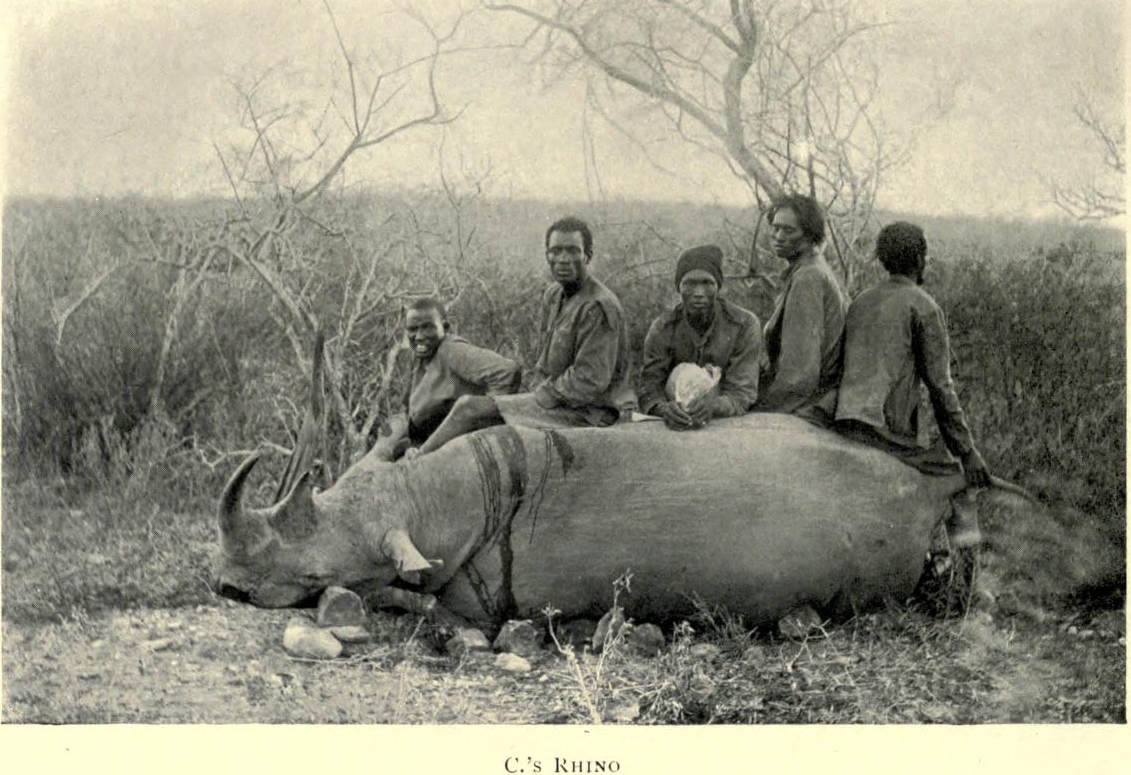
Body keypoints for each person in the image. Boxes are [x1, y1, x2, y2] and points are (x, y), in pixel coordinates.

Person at [409, 216, 629, 457]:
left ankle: (416, 461)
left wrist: (540, 395)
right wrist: (533, 389)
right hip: (557, 400)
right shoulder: (554, 295)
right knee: (473, 408)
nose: (563, 259)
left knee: (468, 408)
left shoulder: (598, 306)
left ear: (588, 255)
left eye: (572, 251)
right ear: (547, 256)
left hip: (587, 412)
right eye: (556, 251)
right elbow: (544, 360)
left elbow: (589, 381)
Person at [834, 221, 991, 489]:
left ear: (883, 260)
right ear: (920, 259)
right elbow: (941, 388)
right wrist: (967, 452)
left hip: (844, 421)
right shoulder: (924, 306)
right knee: (953, 480)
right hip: (886, 431)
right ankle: (966, 532)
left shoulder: (861, 301)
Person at [372, 297, 521, 461]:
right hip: (422, 439)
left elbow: (507, 371)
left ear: (445, 327)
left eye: (427, 327)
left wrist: (489, 422)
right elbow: (410, 410)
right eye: (412, 329)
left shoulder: (451, 349)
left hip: (452, 446)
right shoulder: (419, 357)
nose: (419, 336)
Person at [637, 244, 763, 430]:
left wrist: (713, 406)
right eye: (690, 284)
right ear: (679, 287)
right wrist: (663, 409)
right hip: (675, 424)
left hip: (728, 423)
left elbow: (742, 393)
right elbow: (649, 388)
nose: (698, 293)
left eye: (707, 283)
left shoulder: (743, 325)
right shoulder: (663, 328)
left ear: (718, 286)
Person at [755, 194, 847, 422]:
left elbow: (799, 374)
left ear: (809, 234)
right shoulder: (810, 269)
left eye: (789, 231)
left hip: (809, 405)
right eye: (775, 229)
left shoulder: (808, 277)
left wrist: (762, 409)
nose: (778, 237)